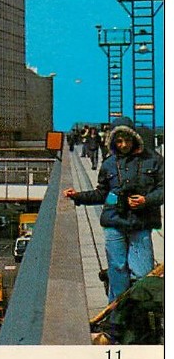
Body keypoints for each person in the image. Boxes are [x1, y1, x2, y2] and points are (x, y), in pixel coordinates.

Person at [63, 117, 164, 302]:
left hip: (140, 223)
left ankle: (135, 313)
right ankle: (116, 317)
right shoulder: (109, 164)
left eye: (127, 140)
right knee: (118, 270)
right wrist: (77, 196)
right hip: (114, 222)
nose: (124, 145)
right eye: (119, 141)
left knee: (142, 273)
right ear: (113, 142)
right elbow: (101, 193)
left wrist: (146, 200)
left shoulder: (154, 160)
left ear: (135, 138)